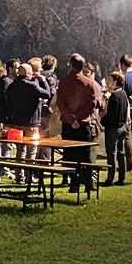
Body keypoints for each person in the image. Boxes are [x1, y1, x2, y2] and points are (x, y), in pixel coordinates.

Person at [57, 53, 96, 193]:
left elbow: (60, 103)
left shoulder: (63, 82)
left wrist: (70, 118)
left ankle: (73, 184)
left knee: (70, 154)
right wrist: (78, 118)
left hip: (68, 124)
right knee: (85, 155)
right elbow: (91, 104)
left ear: (70, 65)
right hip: (83, 124)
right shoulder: (88, 83)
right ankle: (88, 183)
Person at [7, 63, 51, 183]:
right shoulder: (32, 86)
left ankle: (19, 176)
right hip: (32, 123)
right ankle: (29, 175)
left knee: (20, 150)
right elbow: (47, 94)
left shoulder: (12, 86)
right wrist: (43, 80)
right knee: (31, 150)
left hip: (16, 122)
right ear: (28, 73)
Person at [101, 71, 129, 186]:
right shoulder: (123, 94)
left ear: (115, 82)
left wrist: (103, 121)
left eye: (111, 81)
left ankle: (110, 178)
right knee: (121, 153)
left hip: (113, 128)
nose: (109, 83)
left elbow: (110, 115)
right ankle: (122, 177)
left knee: (111, 154)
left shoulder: (114, 96)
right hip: (122, 127)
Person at [0, 58, 20, 161]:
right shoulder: (6, 82)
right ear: (10, 69)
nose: (18, 70)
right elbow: (6, 100)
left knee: (9, 141)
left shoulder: (12, 81)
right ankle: (4, 163)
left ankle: (5, 162)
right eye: (16, 68)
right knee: (5, 141)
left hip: (9, 116)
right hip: (6, 116)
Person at [83, 61, 105, 164]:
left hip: (92, 123)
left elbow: (100, 106)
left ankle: (90, 171)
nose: (84, 74)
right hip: (83, 122)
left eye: (87, 72)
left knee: (90, 151)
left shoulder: (95, 86)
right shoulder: (82, 84)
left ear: (93, 73)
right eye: (83, 72)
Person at [38, 55, 58, 160]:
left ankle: (36, 157)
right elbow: (52, 93)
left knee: (37, 135)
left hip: (37, 110)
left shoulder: (37, 75)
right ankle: (44, 160)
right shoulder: (51, 78)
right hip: (47, 110)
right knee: (46, 136)